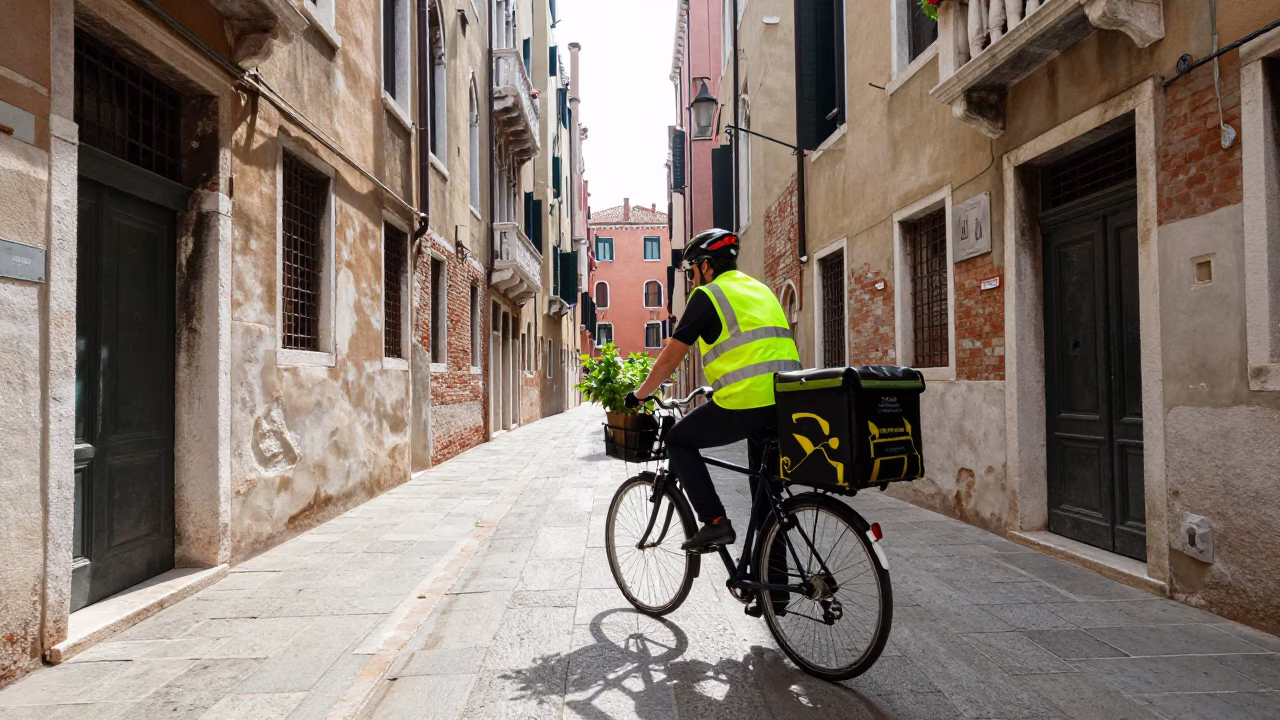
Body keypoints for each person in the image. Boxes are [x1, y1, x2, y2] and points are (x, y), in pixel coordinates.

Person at [625, 228, 801, 552]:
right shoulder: (761, 290)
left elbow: (669, 360)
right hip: (786, 401)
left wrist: (639, 394)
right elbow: (756, 351)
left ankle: (715, 522)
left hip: (746, 403)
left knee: (677, 438)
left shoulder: (709, 295)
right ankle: (772, 597)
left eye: (692, 270)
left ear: (705, 266)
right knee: (767, 505)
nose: (692, 278)